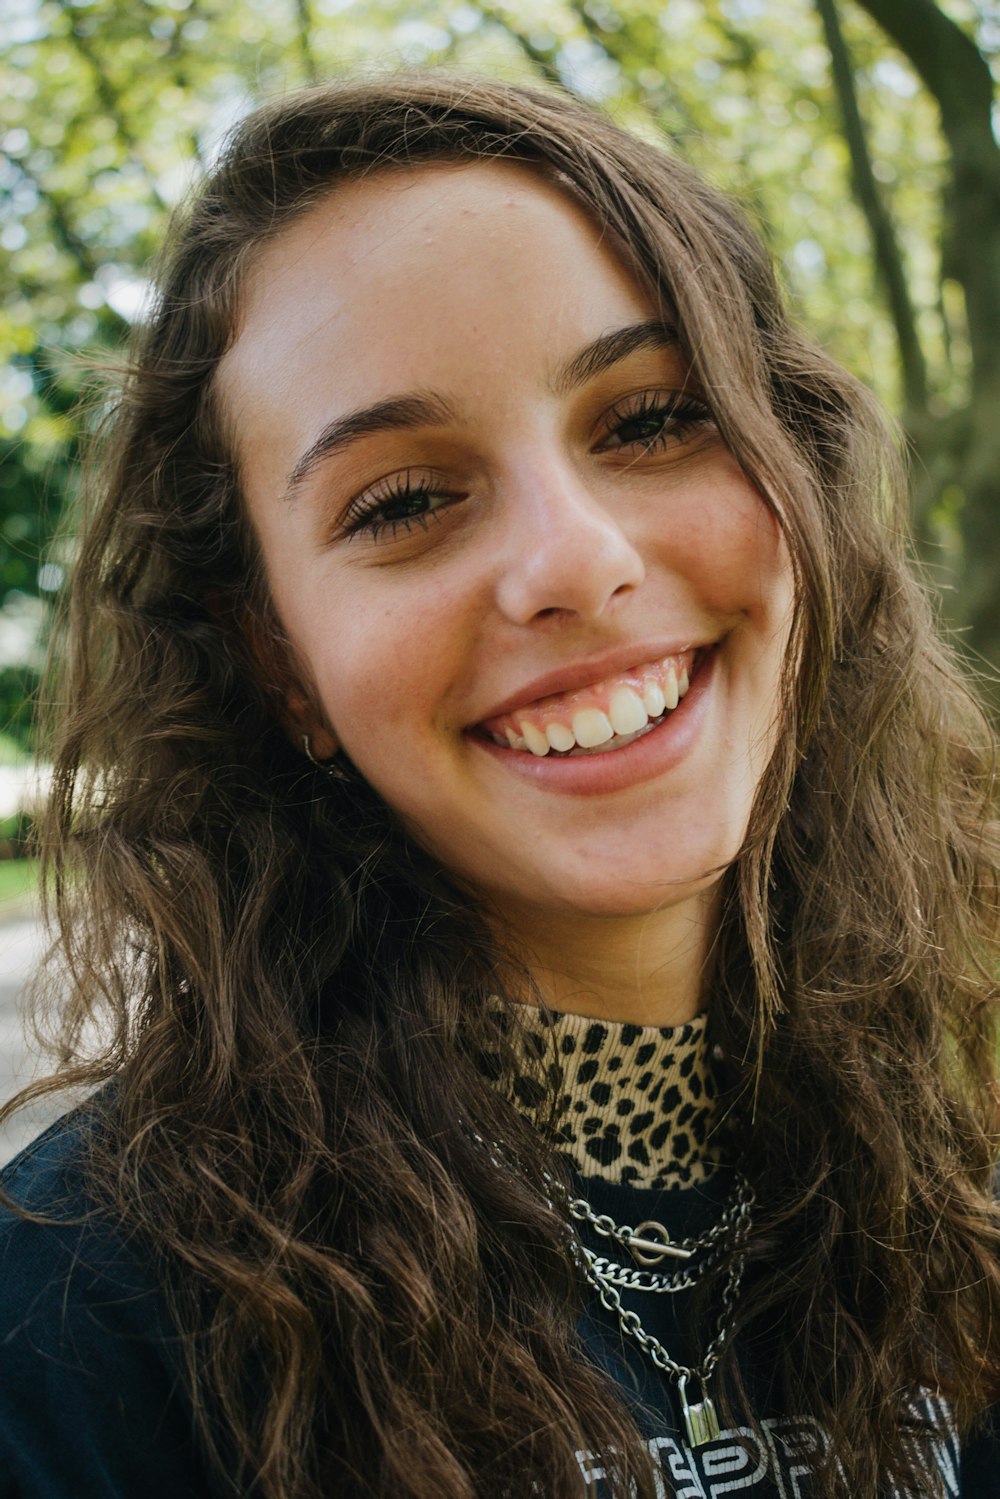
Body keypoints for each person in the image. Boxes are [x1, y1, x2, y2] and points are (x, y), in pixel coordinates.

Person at [0, 72, 998, 1499]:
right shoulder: (77, 1335)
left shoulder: (936, 1194)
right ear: (279, 661)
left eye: (651, 418)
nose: (575, 560)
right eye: (404, 502)